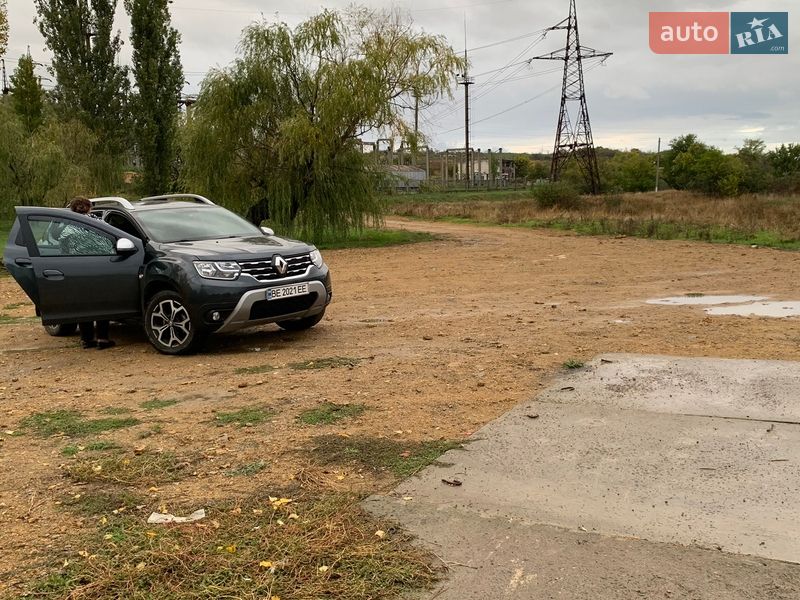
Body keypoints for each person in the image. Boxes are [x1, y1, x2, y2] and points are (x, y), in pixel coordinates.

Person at [66, 196, 116, 350]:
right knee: (103, 303)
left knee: (84, 304)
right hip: (99, 267)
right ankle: (102, 338)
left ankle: (87, 339)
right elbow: (110, 240)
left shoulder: (67, 225)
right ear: (89, 207)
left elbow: (63, 248)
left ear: (72, 208)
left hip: (77, 270)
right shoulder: (97, 222)